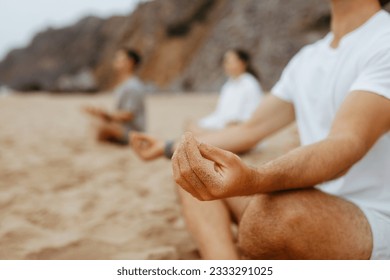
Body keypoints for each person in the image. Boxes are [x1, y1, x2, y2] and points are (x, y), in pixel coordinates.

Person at [131, 0, 390, 260]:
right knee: (195, 175)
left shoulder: (384, 41)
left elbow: (347, 142)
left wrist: (254, 180)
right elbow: (251, 128)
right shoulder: (308, 58)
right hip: (318, 201)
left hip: (376, 217)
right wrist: (167, 146)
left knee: (270, 218)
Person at [186, 49, 264, 136]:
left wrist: (236, 123)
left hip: (241, 129)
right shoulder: (228, 85)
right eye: (226, 62)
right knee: (190, 126)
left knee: (197, 134)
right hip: (225, 127)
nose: (227, 65)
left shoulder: (250, 84)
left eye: (230, 62)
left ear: (242, 63)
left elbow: (254, 113)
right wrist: (200, 123)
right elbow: (220, 114)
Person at [84, 48, 146, 145]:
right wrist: (101, 113)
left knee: (99, 124)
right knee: (96, 122)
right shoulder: (124, 85)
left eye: (119, 58)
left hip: (133, 132)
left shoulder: (133, 86)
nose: (116, 61)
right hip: (123, 128)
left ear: (130, 62)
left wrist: (106, 114)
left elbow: (128, 115)